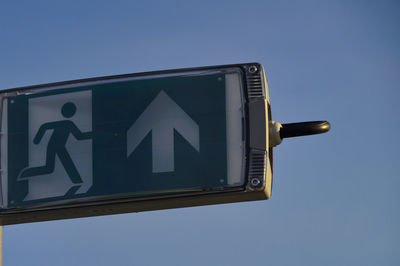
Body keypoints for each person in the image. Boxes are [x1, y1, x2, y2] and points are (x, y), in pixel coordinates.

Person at [19, 102, 92, 184]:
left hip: (60, 147)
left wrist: (93, 134)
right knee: (49, 168)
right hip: (54, 146)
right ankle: (25, 174)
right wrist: (37, 140)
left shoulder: (69, 123)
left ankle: (77, 181)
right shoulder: (67, 123)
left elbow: (79, 136)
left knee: (50, 168)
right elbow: (45, 126)